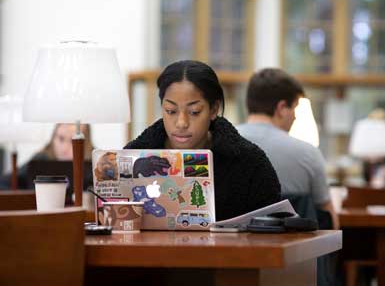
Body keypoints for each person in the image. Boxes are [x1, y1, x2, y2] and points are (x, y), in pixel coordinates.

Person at [124, 60, 281, 221]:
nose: (181, 123)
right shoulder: (131, 157)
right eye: (171, 111)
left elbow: (273, 228)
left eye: (194, 112)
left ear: (214, 109)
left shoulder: (250, 163)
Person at [236, 68, 339, 229]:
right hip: (295, 252)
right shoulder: (308, 153)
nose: (296, 116)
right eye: (295, 108)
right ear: (282, 108)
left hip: (232, 251)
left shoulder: (219, 145)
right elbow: (330, 221)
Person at [0, 123, 94, 189]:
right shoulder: (40, 160)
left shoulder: (95, 164)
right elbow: (6, 182)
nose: (65, 148)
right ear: (53, 138)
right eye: (61, 139)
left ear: (86, 142)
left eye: (72, 141)